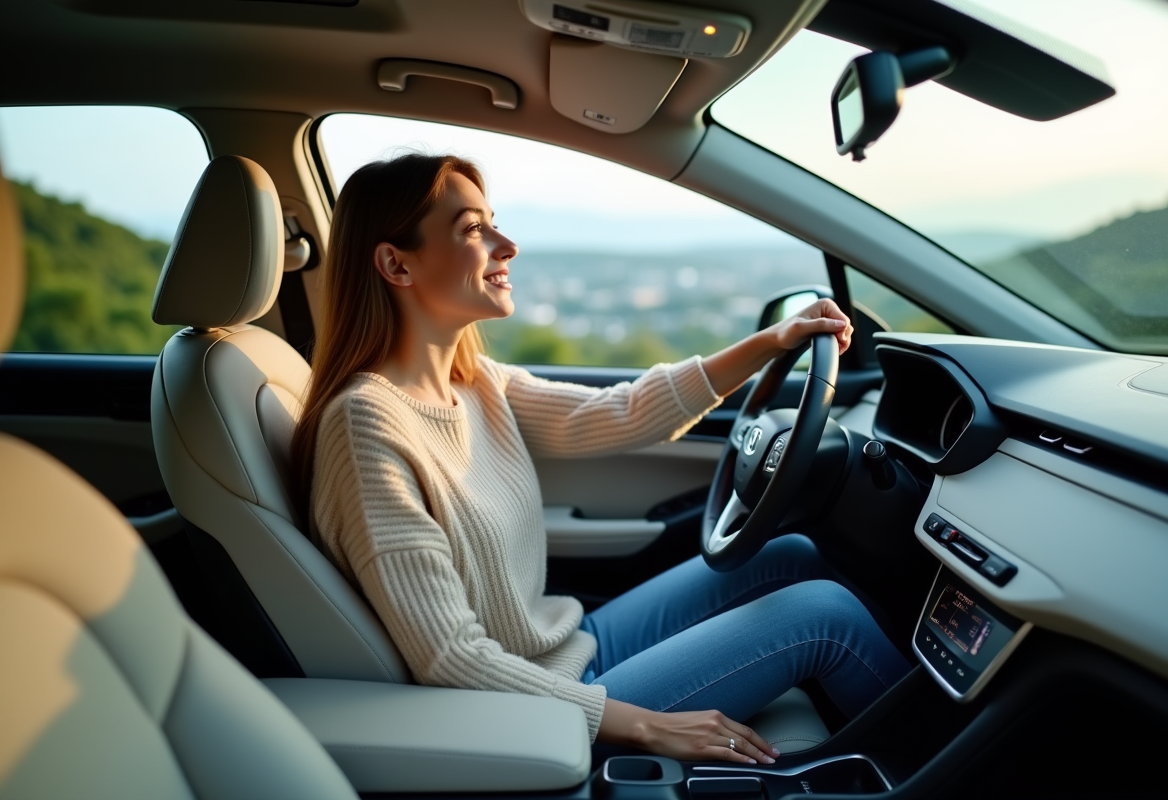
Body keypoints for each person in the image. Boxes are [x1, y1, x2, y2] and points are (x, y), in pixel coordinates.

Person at [292, 154, 910, 765]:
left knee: (789, 555)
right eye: (474, 229)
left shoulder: (472, 381)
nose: (507, 245)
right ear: (396, 263)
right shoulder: (366, 425)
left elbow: (622, 412)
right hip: (547, 696)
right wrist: (644, 728)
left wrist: (771, 342)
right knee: (823, 616)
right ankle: (954, 769)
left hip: (572, 644)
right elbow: (450, 658)